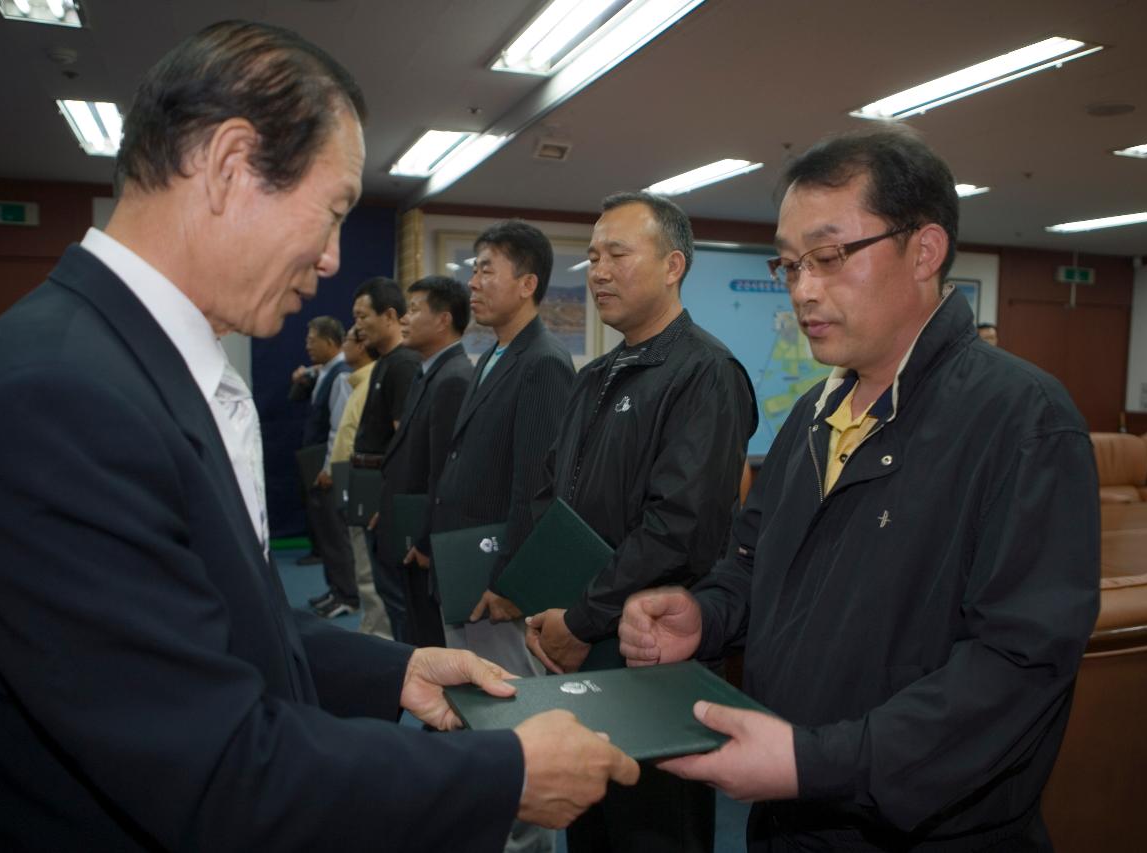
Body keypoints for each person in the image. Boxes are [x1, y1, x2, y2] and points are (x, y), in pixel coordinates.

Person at [0, 20, 639, 852]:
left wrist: (396, 670)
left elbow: (210, 628)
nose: (330, 259)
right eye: (334, 211)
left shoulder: (118, 368)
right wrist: (507, 774)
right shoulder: (52, 402)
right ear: (231, 166)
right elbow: (214, 770)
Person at [618, 129, 1100, 852]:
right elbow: (753, 566)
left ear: (925, 251)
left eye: (831, 256)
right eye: (790, 264)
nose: (804, 288)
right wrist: (704, 615)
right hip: (792, 814)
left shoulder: (1022, 419)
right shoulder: (814, 415)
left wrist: (817, 761)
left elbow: (1016, 667)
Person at [525, 191, 757, 853]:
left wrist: (580, 618)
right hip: (575, 640)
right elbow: (551, 494)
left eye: (617, 254)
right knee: (589, 821)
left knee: (652, 831)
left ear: (672, 264)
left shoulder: (705, 374)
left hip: (648, 652)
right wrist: (542, 599)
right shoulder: (596, 374)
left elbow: (679, 532)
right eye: (592, 256)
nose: (597, 270)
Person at [426, 220, 576, 853]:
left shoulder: (543, 362)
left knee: (510, 723)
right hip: (466, 573)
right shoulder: (495, 354)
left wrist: (510, 583)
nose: (474, 281)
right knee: (477, 719)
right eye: (474, 267)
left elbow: (536, 489)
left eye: (488, 269)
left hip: (496, 586)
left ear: (528, 283)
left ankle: (524, 843)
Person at [378, 276, 473, 647]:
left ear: (443, 320)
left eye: (414, 309)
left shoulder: (453, 379)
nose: (404, 317)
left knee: (429, 640)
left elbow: (443, 471)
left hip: (423, 542)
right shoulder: (427, 372)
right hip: (407, 529)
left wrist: (427, 541)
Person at [350, 275, 421, 639]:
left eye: (363, 317)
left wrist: (387, 499)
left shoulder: (403, 364)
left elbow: (403, 442)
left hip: (385, 493)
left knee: (396, 597)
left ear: (390, 315)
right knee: (380, 587)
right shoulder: (383, 362)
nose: (358, 326)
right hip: (371, 487)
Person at [318, 325, 383, 623]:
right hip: (350, 481)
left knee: (369, 569)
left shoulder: (374, 381)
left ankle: (378, 634)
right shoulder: (356, 382)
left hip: (365, 487)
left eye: (348, 338)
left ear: (363, 345)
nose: (344, 345)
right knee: (360, 563)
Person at [290, 316, 354, 601]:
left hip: (327, 466)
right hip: (314, 463)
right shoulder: (325, 371)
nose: (307, 346)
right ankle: (334, 589)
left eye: (312, 340)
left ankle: (346, 595)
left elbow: (339, 428)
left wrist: (329, 467)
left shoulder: (341, 374)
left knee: (334, 534)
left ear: (330, 342)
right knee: (324, 533)